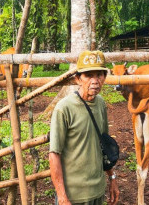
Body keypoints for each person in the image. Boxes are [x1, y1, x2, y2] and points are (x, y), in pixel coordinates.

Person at [49, 50, 120, 205]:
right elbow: (54, 154)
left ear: (104, 77)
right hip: (73, 195)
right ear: (78, 79)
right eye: (88, 75)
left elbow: (104, 145)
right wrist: (62, 197)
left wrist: (112, 178)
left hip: (97, 191)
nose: (95, 81)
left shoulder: (100, 103)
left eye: (99, 75)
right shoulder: (64, 108)